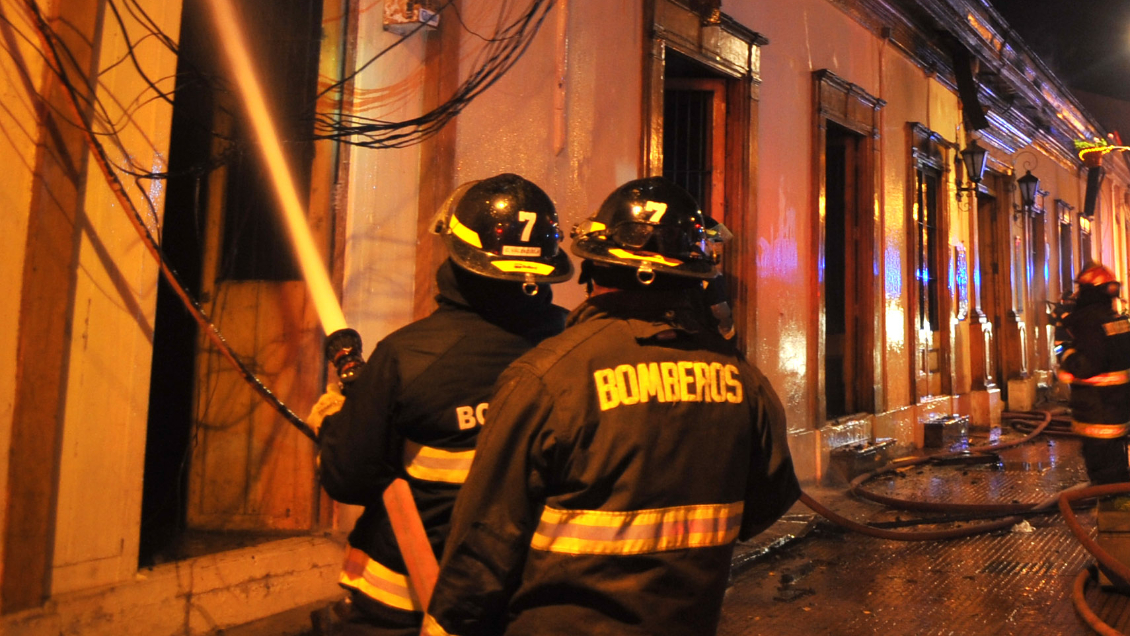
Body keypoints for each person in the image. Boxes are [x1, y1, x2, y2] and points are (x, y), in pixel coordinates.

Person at [423, 177, 801, 636]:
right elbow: (769, 500)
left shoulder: (546, 378)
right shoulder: (743, 381)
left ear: (593, 272)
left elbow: (486, 540)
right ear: (694, 279)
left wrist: (448, 624)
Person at [315, 173, 573, 635]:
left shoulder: (408, 357)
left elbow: (349, 477)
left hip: (410, 600)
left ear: (457, 256)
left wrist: (336, 423)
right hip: (529, 596)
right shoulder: (575, 346)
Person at [1056, 263, 1130, 484]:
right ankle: (1117, 507)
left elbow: (1086, 366)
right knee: (1115, 467)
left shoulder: (1090, 322)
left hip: (1097, 412)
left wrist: (1066, 351)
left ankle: (1113, 513)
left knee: (1104, 475)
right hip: (1117, 410)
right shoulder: (1117, 320)